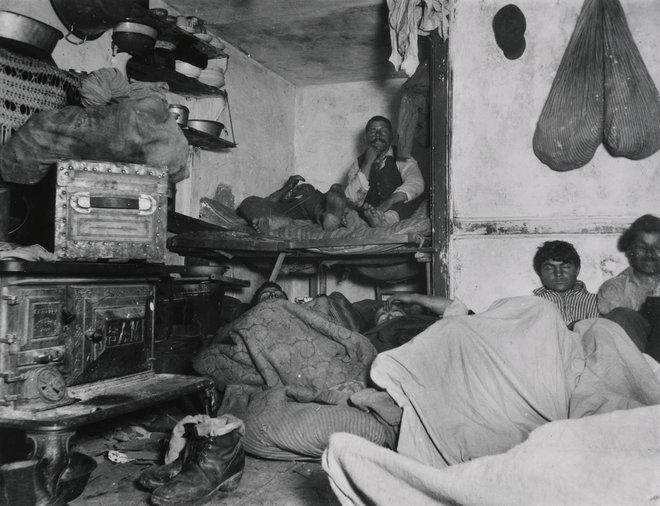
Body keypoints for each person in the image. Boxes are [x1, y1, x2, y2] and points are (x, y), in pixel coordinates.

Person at [344, 115, 425, 227]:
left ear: (391, 136)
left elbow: (416, 181)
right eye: (372, 131)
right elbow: (352, 198)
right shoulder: (359, 162)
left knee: (411, 196)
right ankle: (370, 220)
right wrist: (368, 162)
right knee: (349, 203)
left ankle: (385, 220)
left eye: (383, 131)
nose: (378, 135)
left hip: (395, 208)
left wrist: (389, 202)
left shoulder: (402, 157)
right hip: (371, 210)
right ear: (366, 137)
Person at [598, 214, 660, 358]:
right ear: (630, 251)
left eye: (658, 248)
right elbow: (622, 329)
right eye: (642, 248)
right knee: (621, 315)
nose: (650, 254)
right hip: (634, 356)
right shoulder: (614, 288)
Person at [237, 175, 347, 234]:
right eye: (297, 187)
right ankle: (272, 223)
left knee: (327, 197)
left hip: (317, 199)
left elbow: (323, 197)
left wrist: (305, 189)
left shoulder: (313, 192)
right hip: (291, 212)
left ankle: (332, 214)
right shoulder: (285, 197)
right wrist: (288, 187)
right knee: (249, 201)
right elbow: (267, 201)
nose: (299, 187)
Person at [531, 240, 599, 328]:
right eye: (549, 268)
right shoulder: (532, 305)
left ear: (577, 269)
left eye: (566, 267)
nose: (558, 273)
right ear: (539, 272)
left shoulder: (598, 302)